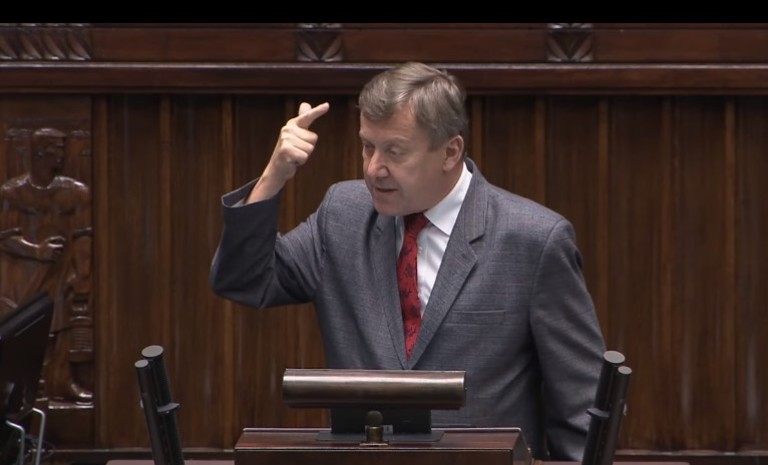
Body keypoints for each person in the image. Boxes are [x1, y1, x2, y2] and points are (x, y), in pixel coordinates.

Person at [210, 62, 606, 460]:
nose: (374, 169)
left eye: (394, 152)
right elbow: (244, 279)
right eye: (368, 146)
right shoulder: (343, 216)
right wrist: (273, 176)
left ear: (450, 152)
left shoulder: (533, 240)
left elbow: (581, 406)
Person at [0, 127, 93, 404]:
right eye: (56, 149)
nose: (61, 155)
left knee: (61, 325)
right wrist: (37, 251)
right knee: (24, 328)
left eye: (63, 148)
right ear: (39, 152)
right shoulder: (12, 192)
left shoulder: (75, 192)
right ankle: (21, 388)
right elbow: (4, 237)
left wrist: (83, 272)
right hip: (22, 274)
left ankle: (60, 381)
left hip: (61, 270)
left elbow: (83, 235)